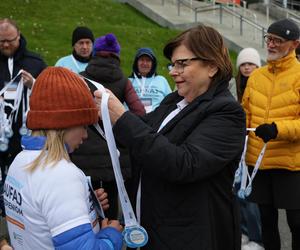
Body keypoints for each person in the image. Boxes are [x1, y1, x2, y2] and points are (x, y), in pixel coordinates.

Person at [95, 25, 246, 249]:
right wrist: (99, 114)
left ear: (212, 67)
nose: (173, 72)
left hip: (191, 237)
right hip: (156, 229)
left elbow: (183, 163)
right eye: (173, 64)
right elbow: (138, 135)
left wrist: (121, 116)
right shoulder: (174, 101)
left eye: (182, 64)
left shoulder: (226, 112)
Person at [4, 66, 123, 250]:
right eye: (84, 126)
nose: (85, 135)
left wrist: (85, 204)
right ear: (64, 124)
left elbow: (40, 218)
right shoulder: (61, 176)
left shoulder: (19, 162)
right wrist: (111, 235)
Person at [72, 33, 145, 220]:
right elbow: (139, 113)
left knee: (85, 208)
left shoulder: (80, 79)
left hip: (82, 151)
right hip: (114, 155)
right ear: (117, 56)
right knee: (111, 209)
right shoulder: (123, 81)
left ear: (95, 54)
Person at [242, 18, 300, 250]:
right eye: (269, 39)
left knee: (297, 223)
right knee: (265, 221)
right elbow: (245, 114)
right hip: (259, 162)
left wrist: (277, 129)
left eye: (278, 40)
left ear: (295, 44)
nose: (271, 45)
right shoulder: (256, 76)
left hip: (292, 164)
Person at [0, 18, 46, 248]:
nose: (6, 45)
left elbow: (49, 94)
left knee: (23, 190)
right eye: (1, 42)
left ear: (19, 37)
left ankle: (23, 233)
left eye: (10, 40)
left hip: (26, 141)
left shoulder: (35, 62)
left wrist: (34, 84)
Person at [234, 48, 264, 250]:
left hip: (256, 145)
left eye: (250, 64)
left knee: (252, 195)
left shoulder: (262, 86)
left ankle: (257, 236)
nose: (246, 68)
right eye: (243, 64)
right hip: (238, 144)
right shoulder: (233, 87)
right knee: (237, 192)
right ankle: (243, 232)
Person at [129, 47, 172, 113]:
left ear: (153, 64)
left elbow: (171, 101)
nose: (145, 63)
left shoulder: (161, 80)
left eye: (148, 60)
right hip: (132, 119)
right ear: (136, 63)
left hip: (156, 120)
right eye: (142, 60)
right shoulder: (129, 81)